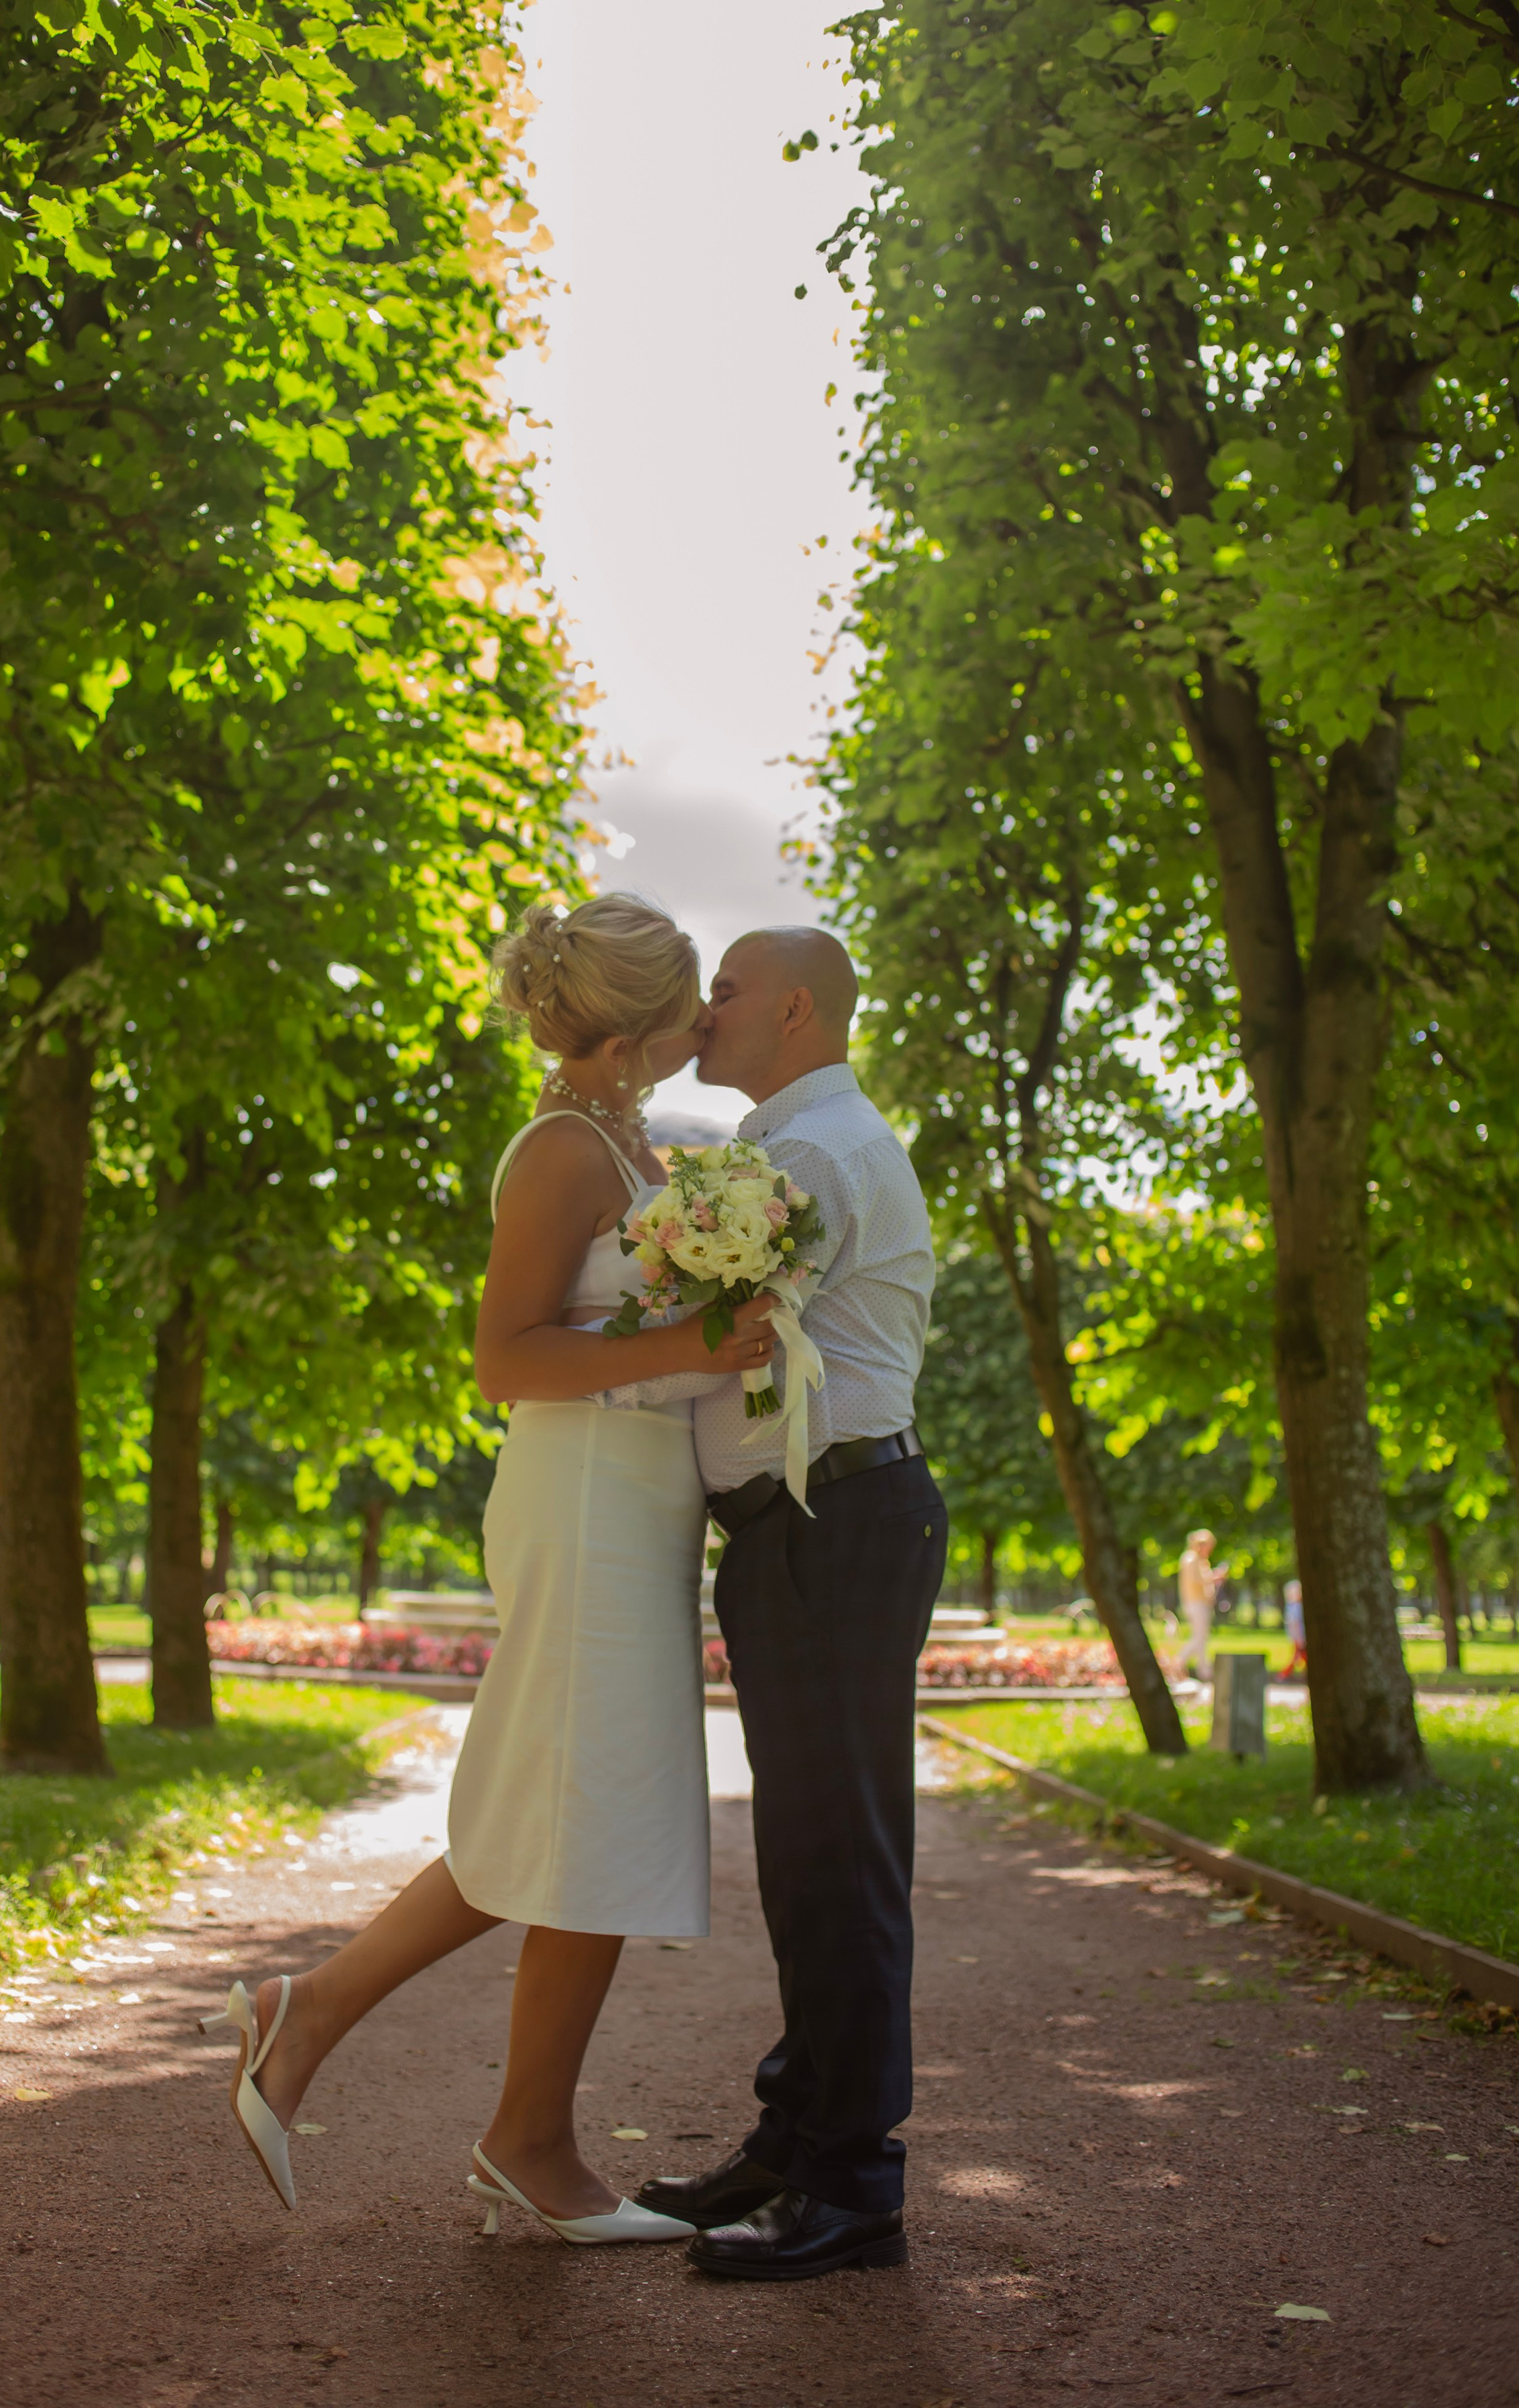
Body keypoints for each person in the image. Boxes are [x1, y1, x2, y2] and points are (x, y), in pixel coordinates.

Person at [200, 894, 779, 2243]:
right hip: (580, 1500)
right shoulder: (561, 1152)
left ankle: (470, 2105)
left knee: (589, 1813)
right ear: (631, 1034)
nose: (705, 1023)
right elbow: (503, 1359)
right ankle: (421, 2077)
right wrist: (692, 1344)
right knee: (591, 1809)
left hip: (635, 1500)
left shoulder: (633, 1144)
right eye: (690, 1004)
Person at [637, 926, 946, 2284]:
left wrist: (572, 1343)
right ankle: (794, 2139)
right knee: (808, 1854)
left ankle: (851, 2183)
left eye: (726, 992)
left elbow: (691, 1340)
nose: (705, 1012)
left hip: (835, 1523)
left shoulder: (811, 1157)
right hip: (815, 1527)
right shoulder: (797, 1142)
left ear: (797, 1009)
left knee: (838, 1859)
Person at [1178, 1528, 1229, 1681]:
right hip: (1195, 1603)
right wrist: (1214, 1577)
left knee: (1202, 1638)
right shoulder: (1190, 1559)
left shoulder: (1200, 1561)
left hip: (1202, 1603)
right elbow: (1196, 1581)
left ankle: (1203, 1670)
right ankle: (1178, 1663)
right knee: (1199, 1637)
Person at [1280, 1577, 1307, 1680]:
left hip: (1298, 1636)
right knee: (1298, 1656)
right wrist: (1299, 1638)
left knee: (1299, 1656)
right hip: (1299, 1637)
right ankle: (1284, 1674)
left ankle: (1285, 1674)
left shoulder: (1293, 1606)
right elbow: (1295, 1624)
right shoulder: (1295, 1607)